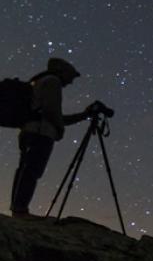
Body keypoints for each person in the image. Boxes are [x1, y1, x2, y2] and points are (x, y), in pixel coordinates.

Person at [10, 58, 94, 219]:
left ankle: (18, 209)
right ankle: (20, 210)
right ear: (62, 71)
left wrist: (83, 116)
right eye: (71, 76)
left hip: (30, 131)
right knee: (32, 170)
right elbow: (51, 112)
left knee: (25, 169)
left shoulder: (41, 81)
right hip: (40, 133)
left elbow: (53, 116)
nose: (71, 82)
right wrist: (60, 130)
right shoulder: (53, 81)